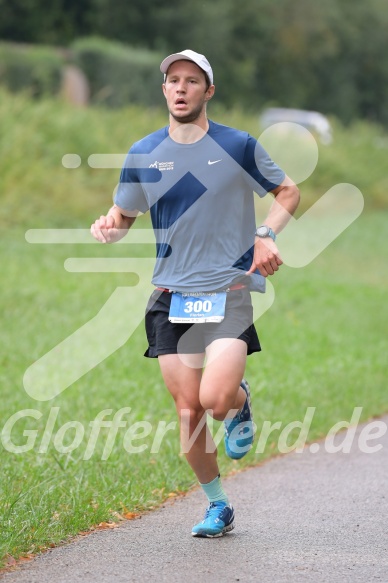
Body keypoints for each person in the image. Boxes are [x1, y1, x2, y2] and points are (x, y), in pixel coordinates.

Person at [91, 49, 300, 538]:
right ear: (164, 90)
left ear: (209, 90)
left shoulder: (238, 145)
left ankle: (238, 401)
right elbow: (124, 216)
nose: (181, 88)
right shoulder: (144, 152)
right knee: (189, 413)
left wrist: (265, 235)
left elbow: (287, 191)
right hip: (171, 295)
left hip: (228, 289)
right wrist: (109, 226)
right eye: (173, 80)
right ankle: (218, 506)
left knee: (216, 398)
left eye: (191, 81)